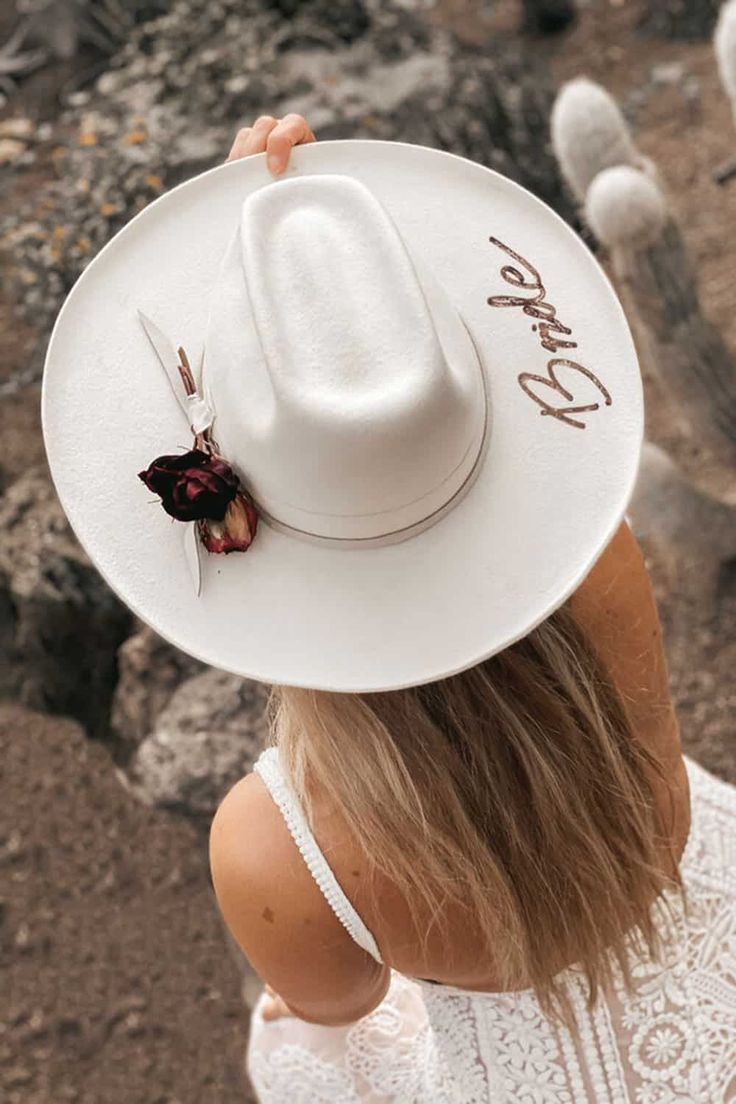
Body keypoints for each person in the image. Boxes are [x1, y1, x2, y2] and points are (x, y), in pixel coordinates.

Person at [207, 117, 736, 1103]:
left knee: (298, 1053)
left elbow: (340, 1006)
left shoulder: (275, 845)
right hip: (695, 912)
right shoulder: (598, 556)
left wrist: (259, 300)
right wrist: (321, 279)